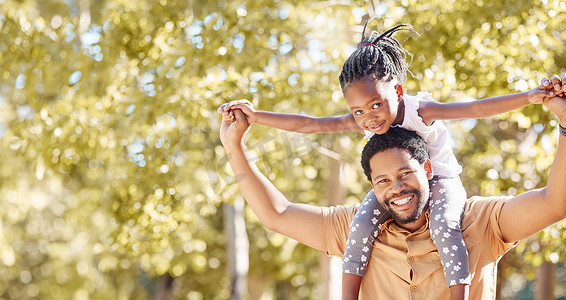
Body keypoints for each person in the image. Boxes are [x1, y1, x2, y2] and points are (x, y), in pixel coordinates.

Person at [218, 22, 556, 300]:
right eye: (359, 111)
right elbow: (308, 125)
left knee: (445, 227)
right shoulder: (365, 123)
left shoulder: (421, 112)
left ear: (397, 91)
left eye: (376, 106)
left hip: (444, 183)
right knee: (361, 226)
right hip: (408, 189)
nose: (368, 118)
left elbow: (475, 109)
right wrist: (254, 118)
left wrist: (531, 97)